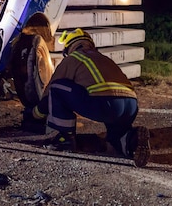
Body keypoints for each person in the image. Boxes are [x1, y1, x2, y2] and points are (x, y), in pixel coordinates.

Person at [22, 28, 151, 167]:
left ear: (70, 47)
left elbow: (49, 94)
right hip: (131, 105)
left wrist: (35, 113)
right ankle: (131, 140)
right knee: (117, 139)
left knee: (57, 88)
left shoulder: (73, 58)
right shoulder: (103, 58)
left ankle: (63, 138)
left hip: (104, 104)